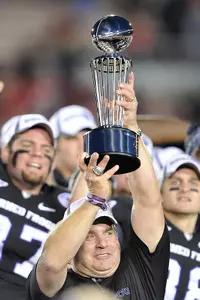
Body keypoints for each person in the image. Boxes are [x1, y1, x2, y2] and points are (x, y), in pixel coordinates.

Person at [27, 72, 170, 300]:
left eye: (109, 232)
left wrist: (130, 127)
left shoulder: (140, 268)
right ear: (73, 247)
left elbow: (148, 201)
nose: (103, 244)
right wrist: (94, 198)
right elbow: (52, 263)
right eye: (89, 237)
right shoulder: (57, 286)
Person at [0, 114, 66, 300]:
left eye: (46, 149)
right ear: (5, 152)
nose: (37, 153)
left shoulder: (63, 201)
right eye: (27, 146)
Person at [160, 153, 200, 300]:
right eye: (175, 183)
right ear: (160, 192)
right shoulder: (148, 229)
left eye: (193, 184)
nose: (184, 189)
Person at [48, 105, 96, 192]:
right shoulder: (36, 187)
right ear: (54, 143)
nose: (83, 146)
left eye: (88, 138)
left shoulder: (106, 190)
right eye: (73, 138)